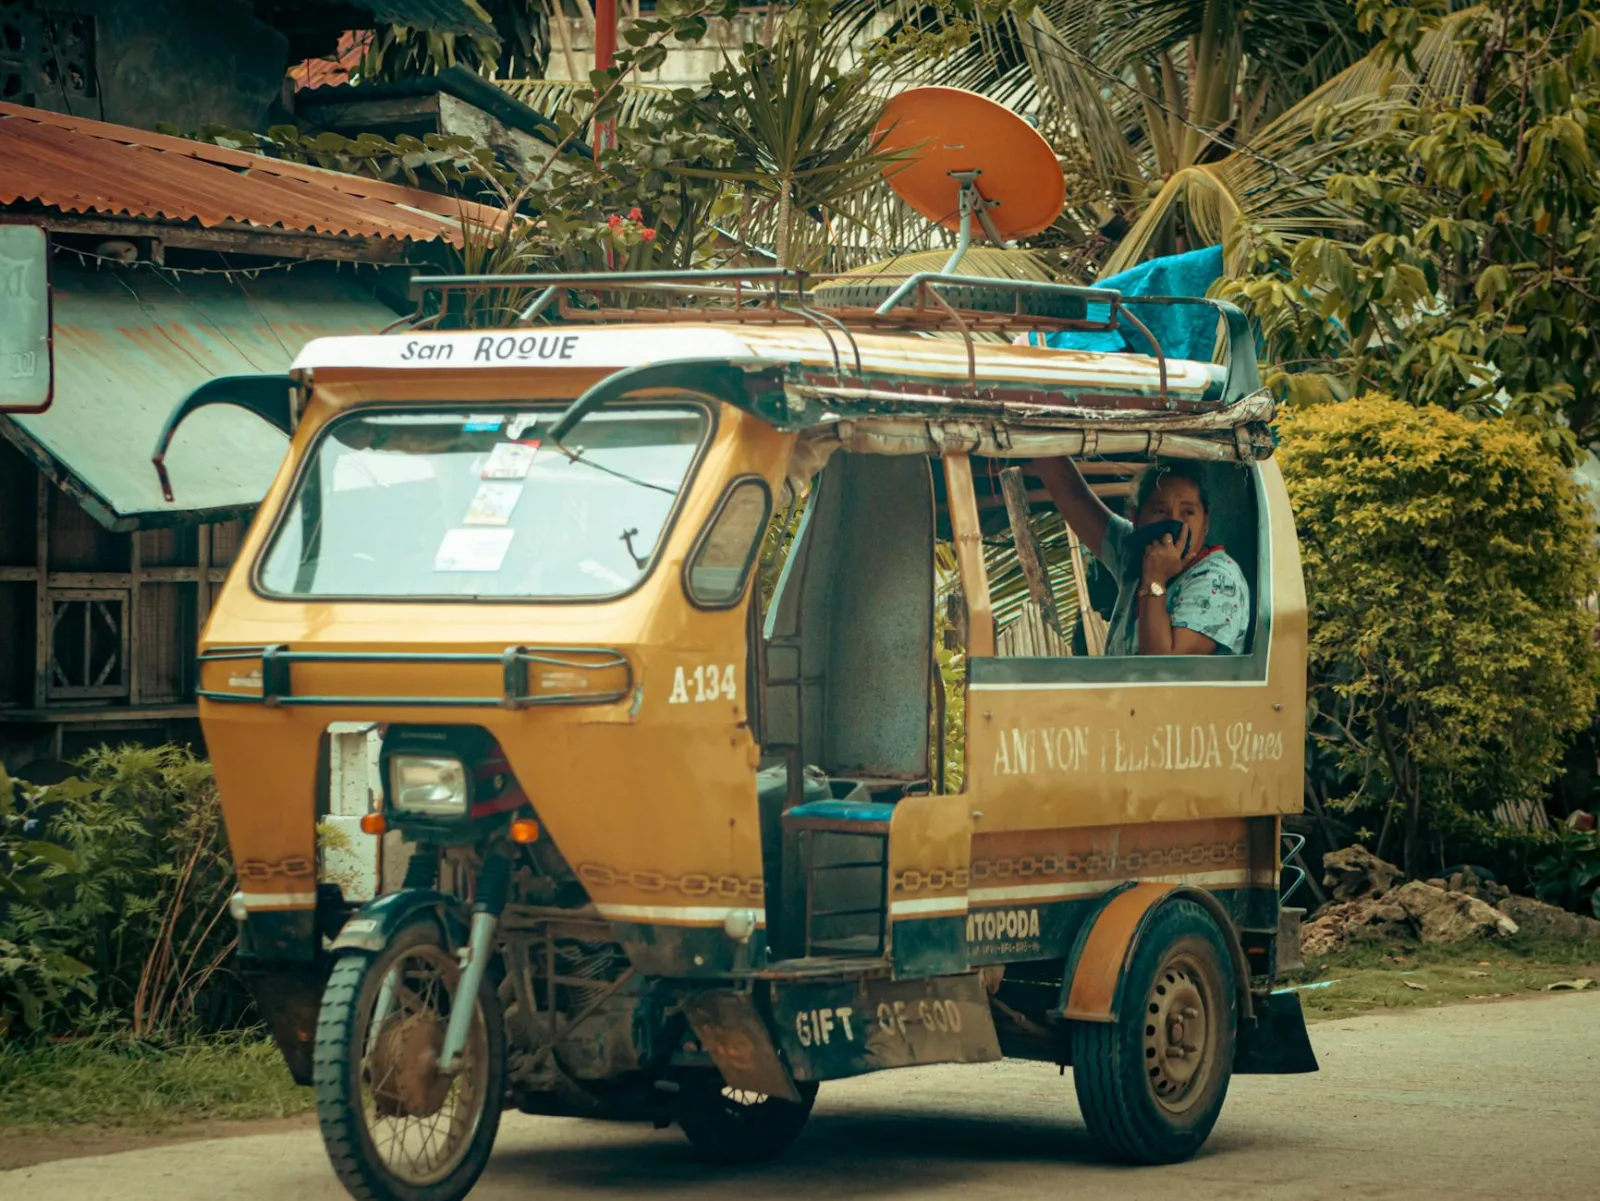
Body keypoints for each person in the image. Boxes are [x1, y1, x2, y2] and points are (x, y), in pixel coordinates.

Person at [1032, 457, 1249, 656]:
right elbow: (1072, 495)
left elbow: (1163, 668)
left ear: (1206, 522)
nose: (1173, 522)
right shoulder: (1135, 552)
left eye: (1188, 512)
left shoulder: (1218, 580)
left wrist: (1155, 580)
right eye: (1160, 511)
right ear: (1137, 518)